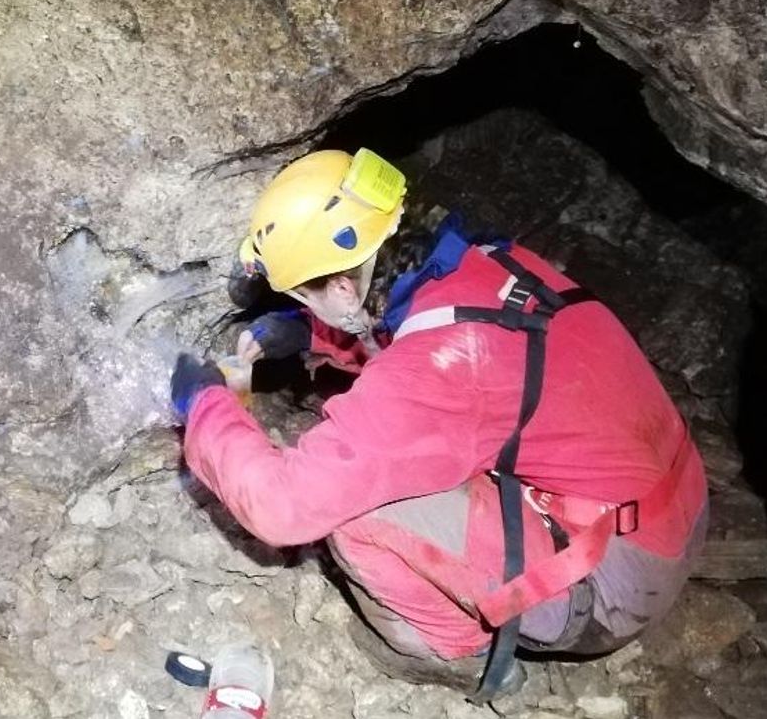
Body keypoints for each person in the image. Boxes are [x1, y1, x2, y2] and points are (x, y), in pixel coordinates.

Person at [170, 148, 706, 697]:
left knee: (359, 513)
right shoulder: (491, 261)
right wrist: (316, 336)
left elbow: (282, 507)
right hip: (670, 507)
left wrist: (206, 405)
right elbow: (454, 349)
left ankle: (452, 650)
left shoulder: (445, 367)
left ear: (342, 288)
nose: (303, 306)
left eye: (304, 297)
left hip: (618, 579)